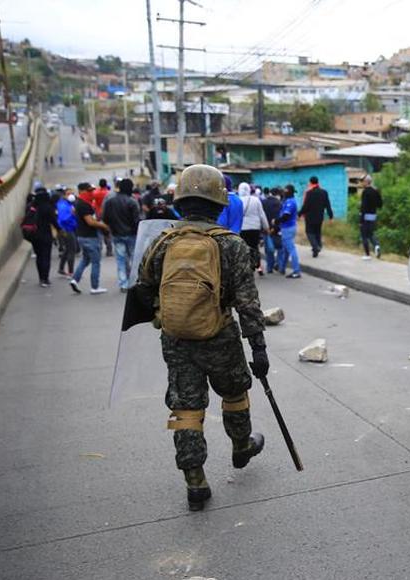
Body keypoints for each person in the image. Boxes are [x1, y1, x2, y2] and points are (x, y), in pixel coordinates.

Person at [135, 164, 268, 511]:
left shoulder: (161, 243)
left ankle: (195, 481)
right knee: (235, 393)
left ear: (179, 201)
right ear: (219, 204)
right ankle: (242, 446)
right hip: (220, 336)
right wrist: (259, 348)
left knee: (186, 409)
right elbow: (248, 303)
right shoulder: (232, 246)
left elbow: (143, 289)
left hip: (177, 339)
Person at [70, 182, 110, 295]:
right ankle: (95, 287)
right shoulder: (84, 204)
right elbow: (90, 222)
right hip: (90, 237)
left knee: (85, 260)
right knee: (96, 262)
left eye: (92, 190)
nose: (92, 193)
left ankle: (74, 280)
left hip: (82, 236)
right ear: (82, 191)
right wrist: (104, 225)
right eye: (89, 191)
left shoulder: (79, 203)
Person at [102, 178, 142, 292]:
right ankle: (134, 282)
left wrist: (112, 228)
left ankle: (123, 284)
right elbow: (136, 220)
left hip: (117, 234)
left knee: (120, 260)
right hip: (131, 235)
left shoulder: (110, 201)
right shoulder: (132, 201)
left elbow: (105, 218)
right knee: (134, 259)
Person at [27, 184, 59, 287]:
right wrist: (60, 231)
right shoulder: (48, 207)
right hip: (45, 235)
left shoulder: (31, 206)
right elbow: (54, 221)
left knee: (39, 257)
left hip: (34, 236)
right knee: (46, 256)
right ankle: (45, 278)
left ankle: (41, 278)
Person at [237, 182, 269, 275]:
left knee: (245, 248)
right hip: (255, 228)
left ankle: (247, 268)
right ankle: (259, 267)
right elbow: (262, 214)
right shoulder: (256, 200)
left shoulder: (238, 201)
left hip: (243, 228)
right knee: (255, 247)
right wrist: (266, 227)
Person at [300, 176, 333, 258]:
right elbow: (328, 205)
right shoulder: (324, 192)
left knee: (309, 232)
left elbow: (306, 206)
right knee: (317, 232)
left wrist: (299, 213)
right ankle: (317, 247)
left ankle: (315, 246)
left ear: (310, 183)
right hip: (320, 216)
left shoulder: (309, 193)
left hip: (310, 217)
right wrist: (330, 216)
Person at [278, 186, 302, 278]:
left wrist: (276, 221)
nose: (284, 193)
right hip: (286, 228)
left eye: (285, 191)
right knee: (285, 249)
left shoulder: (290, 202)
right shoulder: (288, 201)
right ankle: (282, 268)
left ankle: (296, 271)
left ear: (289, 192)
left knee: (291, 249)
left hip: (288, 228)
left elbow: (285, 216)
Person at [54, 186, 79, 277]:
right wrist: (72, 214)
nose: (71, 196)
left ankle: (61, 268)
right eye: (68, 194)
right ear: (64, 195)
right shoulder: (64, 206)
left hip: (66, 229)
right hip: (67, 229)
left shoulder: (66, 204)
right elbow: (64, 219)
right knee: (72, 249)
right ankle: (71, 272)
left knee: (67, 249)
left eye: (72, 194)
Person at [359, 175, 383, 260]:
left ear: (366, 182)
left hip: (365, 216)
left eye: (362, 181)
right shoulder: (375, 191)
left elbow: (363, 206)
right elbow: (380, 204)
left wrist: (361, 219)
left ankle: (367, 254)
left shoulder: (365, 192)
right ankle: (376, 246)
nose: (361, 183)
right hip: (373, 216)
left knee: (364, 235)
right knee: (371, 233)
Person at [262, 187, 284, 274]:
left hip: (266, 229)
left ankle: (269, 268)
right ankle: (279, 265)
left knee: (268, 250)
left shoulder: (263, 202)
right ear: (278, 194)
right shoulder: (279, 203)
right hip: (277, 229)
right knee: (279, 248)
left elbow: (262, 215)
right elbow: (280, 217)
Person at [93, 179, 114, 257]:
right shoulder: (109, 194)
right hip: (107, 215)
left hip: (98, 214)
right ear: (106, 184)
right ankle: (109, 250)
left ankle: (99, 249)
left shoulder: (95, 193)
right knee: (107, 233)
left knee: (98, 233)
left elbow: (93, 203)